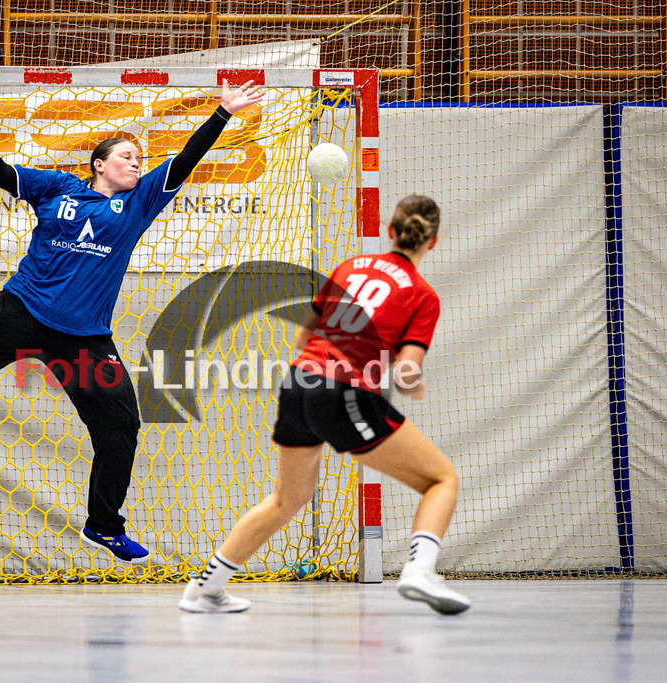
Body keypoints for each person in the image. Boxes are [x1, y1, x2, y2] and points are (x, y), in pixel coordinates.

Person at [0, 80, 265, 565]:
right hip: (21, 312)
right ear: (99, 164)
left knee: (121, 425)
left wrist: (222, 112)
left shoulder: (139, 203)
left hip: (84, 338)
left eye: (139, 158)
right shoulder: (58, 188)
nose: (137, 163)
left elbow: (185, 160)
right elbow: (4, 175)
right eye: (127, 156)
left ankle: (104, 526)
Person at [179, 194, 470, 613]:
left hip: (299, 382)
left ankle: (204, 590)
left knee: (287, 499)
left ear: (390, 231)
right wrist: (413, 384)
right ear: (434, 242)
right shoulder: (422, 295)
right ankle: (420, 571)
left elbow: (304, 335)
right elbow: (406, 370)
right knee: (441, 479)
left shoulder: (349, 267)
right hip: (345, 392)